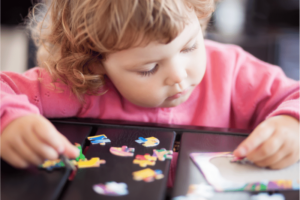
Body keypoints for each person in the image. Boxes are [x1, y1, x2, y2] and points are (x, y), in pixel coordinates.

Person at [0, 0, 299, 187]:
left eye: (191, 47)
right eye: (150, 67)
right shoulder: (82, 84)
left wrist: (292, 124)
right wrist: (12, 121)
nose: (179, 76)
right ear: (96, 61)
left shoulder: (234, 72)